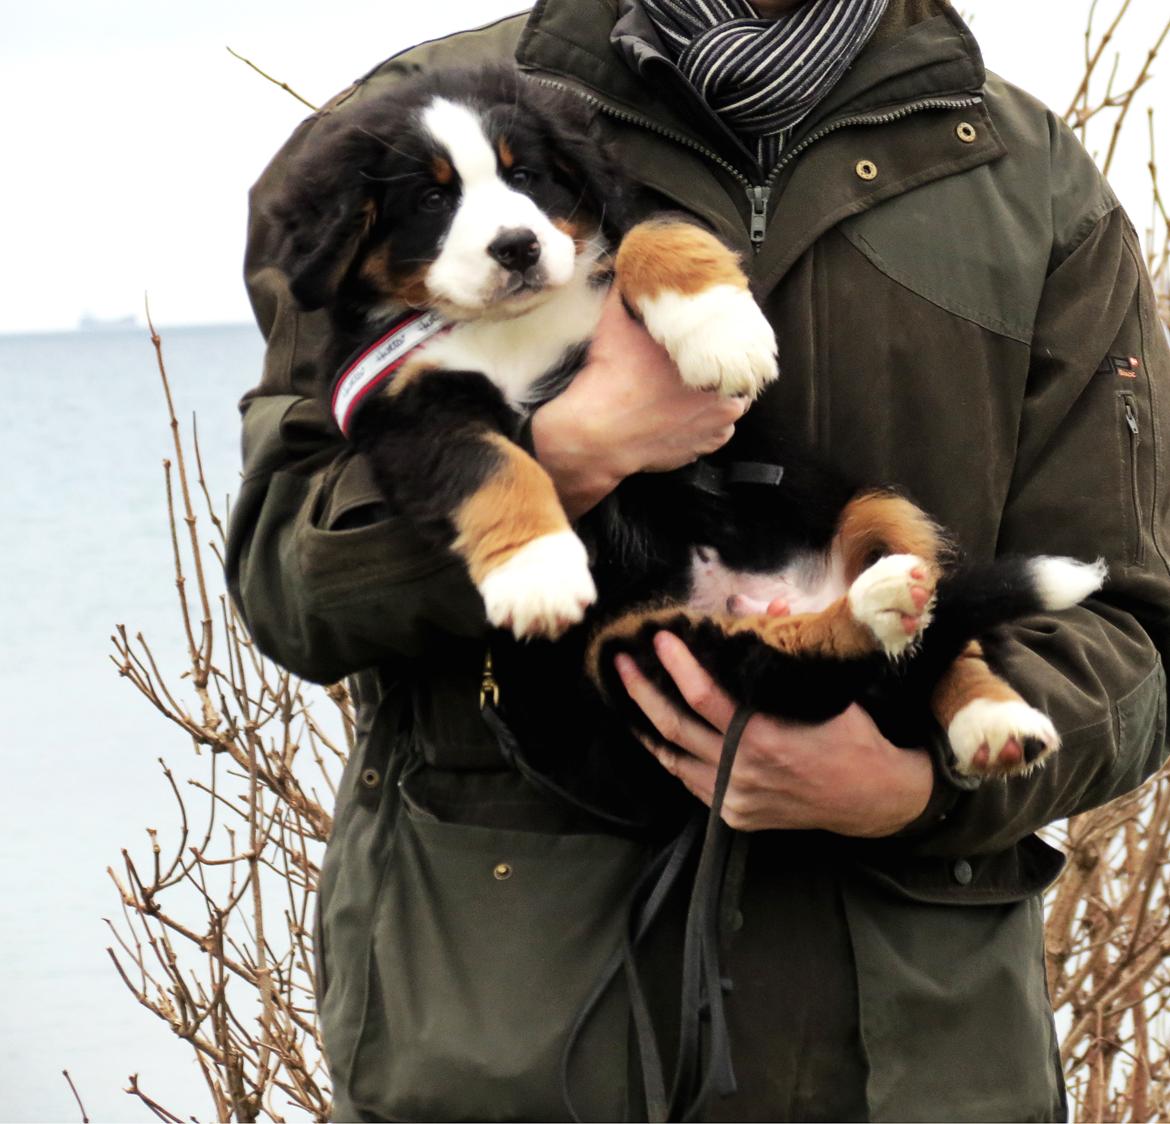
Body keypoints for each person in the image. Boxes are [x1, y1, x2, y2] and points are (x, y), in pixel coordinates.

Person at [228, 0, 1170, 1118]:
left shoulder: (1031, 183)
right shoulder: (405, 122)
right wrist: (563, 458)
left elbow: (1135, 624)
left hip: (913, 1058)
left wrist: (922, 784)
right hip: (510, 1034)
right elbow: (286, 580)